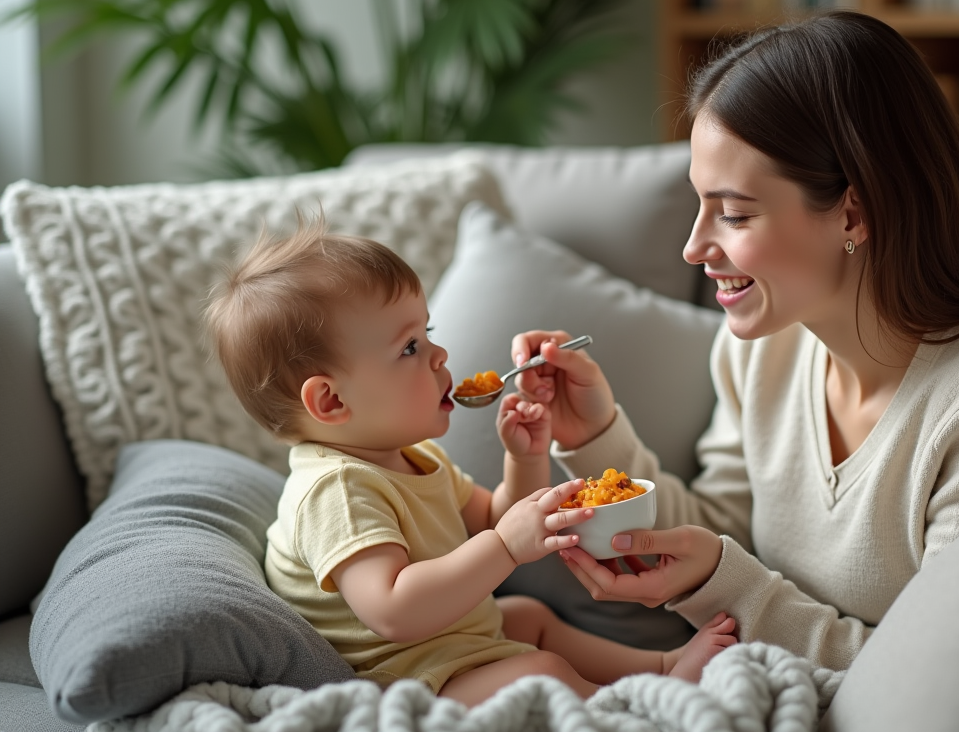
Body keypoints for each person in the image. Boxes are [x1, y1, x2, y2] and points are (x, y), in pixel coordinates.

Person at [509, 10, 959, 674]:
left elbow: (936, 678)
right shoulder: (762, 346)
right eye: (700, 205)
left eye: (734, 213)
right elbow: (730, 530)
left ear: (853, 213)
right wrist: (595, 437)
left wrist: (722, 584)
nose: (694, 247)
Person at [203, 221, 735, 707]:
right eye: (409, 347)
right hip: (405, 680)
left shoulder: (415, 458)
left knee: (529, 618)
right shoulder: (336, 490)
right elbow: (393, 609)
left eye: (428, 333)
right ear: (332, 401)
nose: (439, 356)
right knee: (541, 670)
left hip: (454, 648)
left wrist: (524, 457)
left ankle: (660, 668)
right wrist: (505, 547)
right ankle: (635, 706)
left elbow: (494, 518)